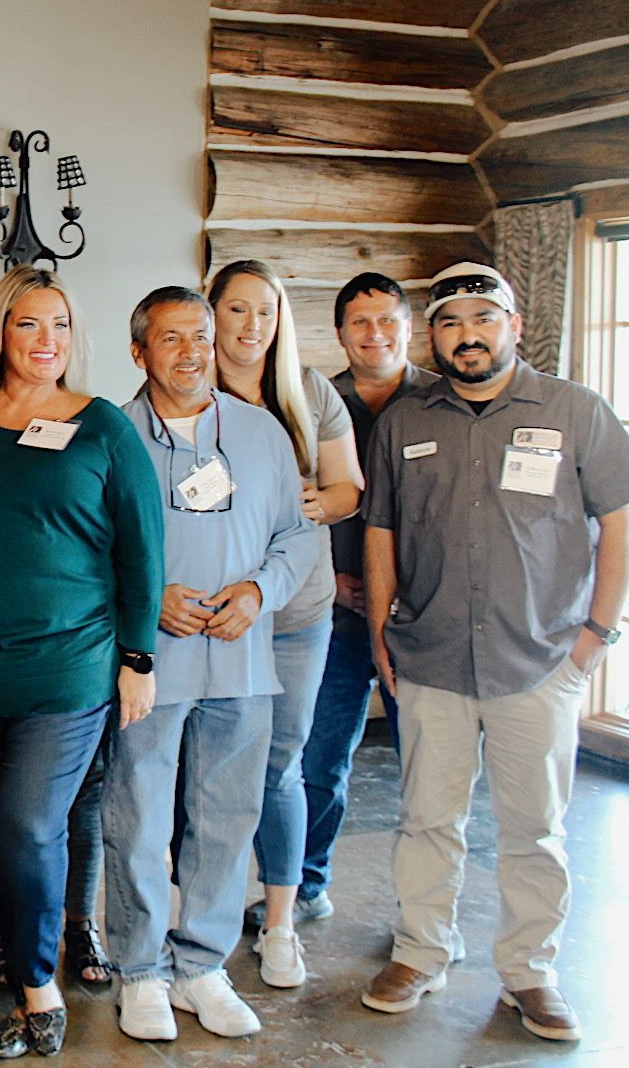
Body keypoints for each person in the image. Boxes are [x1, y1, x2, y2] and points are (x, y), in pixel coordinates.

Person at [359, 264, 629, 1043]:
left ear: (514, 327)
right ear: (435, 336)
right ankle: (421, 952)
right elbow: (380, 531)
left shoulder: (575, 411)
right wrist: (381, 630)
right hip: (432, 657)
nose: (469, 335)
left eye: (484, 319)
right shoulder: (405, 422)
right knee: (427, 819)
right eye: (452, 322)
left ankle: (530, 973)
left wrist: (596, 637)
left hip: (542, 660)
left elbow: (620, 525)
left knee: (535, 828)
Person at [0, 266, 164, 1059]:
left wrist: (138, 656)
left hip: (69, 664)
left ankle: (37, 987)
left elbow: (143, 549)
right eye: (28, 325)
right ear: (0, 332)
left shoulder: (101, 426)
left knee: (29, 824)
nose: (46, 342)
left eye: (59, 325)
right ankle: (17, 941)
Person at [111, 286, 317, 1043]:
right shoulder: (112, 434)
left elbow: (300, 536)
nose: (193, 351)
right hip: (150, 664)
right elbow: (85, 544)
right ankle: (139, 971)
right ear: (140, 352)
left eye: (200, 335)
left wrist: (261, 592)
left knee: (228, 819)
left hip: (241, 660)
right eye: (171, 339)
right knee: (138, 819)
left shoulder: (262, 432)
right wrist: (146, 597)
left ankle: (201, 964)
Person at [206, 259, 363, 988]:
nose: (251, 325)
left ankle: (278, 924)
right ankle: (200, 922)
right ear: (212, 315)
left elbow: (346, 491)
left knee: (282, 765)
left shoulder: (312, 393)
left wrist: (302, 506)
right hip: (216, 614)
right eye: (237, 310)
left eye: (264, 311)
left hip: (297, 611)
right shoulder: (189, 390)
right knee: (209, 766)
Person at [295, 273, 435, 920]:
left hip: (428, 622)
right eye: (360, 323)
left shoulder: (444, 402)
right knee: (319, 761)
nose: (374, 335)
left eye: (387, 321)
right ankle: (303, 886)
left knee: (431, 773)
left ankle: (423, 909)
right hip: (338, 615)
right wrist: (333, 579)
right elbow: (293, 505)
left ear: (410, 328)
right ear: (340, 331)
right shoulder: (313, 402)